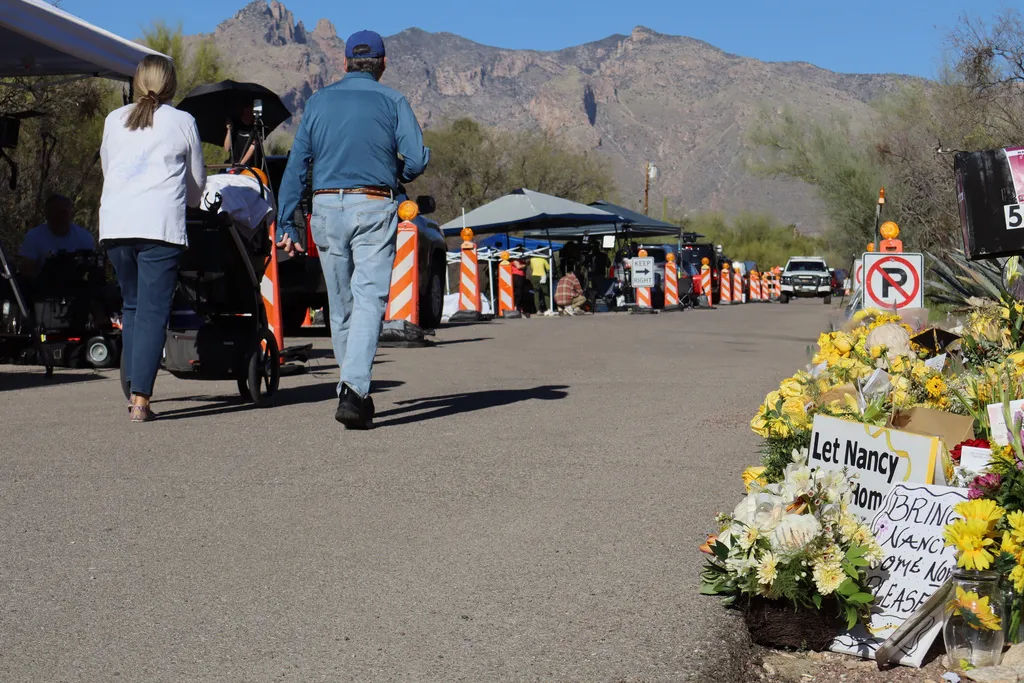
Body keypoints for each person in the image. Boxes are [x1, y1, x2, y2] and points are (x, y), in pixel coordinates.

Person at [276, 29, 430, 430]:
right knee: (369, 301)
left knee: (340, 305)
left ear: (344, 63)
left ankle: (351, 388)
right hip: (373, 204)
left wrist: (287, 217)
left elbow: (297, 164)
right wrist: (392, 170)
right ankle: (353, 389)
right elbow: (416, 160)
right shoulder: (393, 100)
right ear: (382, 64)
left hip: (325, 209)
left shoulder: (319, 102)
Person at [99, 54, 206, 422]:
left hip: (115, 226)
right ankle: (141, 399)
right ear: (171, 84)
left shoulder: (115, 120)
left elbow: (107, 168)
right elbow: (195, 187)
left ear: (137, 81)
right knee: (152, 312)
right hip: (159, 227)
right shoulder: (182, 121)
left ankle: (132, 386)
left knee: (132, 306)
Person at [18, 195, 95, 279]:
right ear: (47, 214)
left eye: (64, 213)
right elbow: (27, 270)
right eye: (55, 212)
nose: (60, 217)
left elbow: (90, 268)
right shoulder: (33, 236)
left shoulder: (84, 237)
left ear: (71, 215)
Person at [224, 101, 264, 170]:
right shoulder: (235, 124)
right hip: (233, 164)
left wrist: (240, 165)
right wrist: (229, 130)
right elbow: (227, 148)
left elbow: (253, 147)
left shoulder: (257, 126)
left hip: (249, 167)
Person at [511, 254, 531, 318]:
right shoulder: (515, 259)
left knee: (520, 293)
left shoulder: (520, 260)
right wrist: (525, 265)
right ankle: (516, 306)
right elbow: (518, 266)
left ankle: (519, 307)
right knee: (518, 293)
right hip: (517, 276)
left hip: (520, 276)